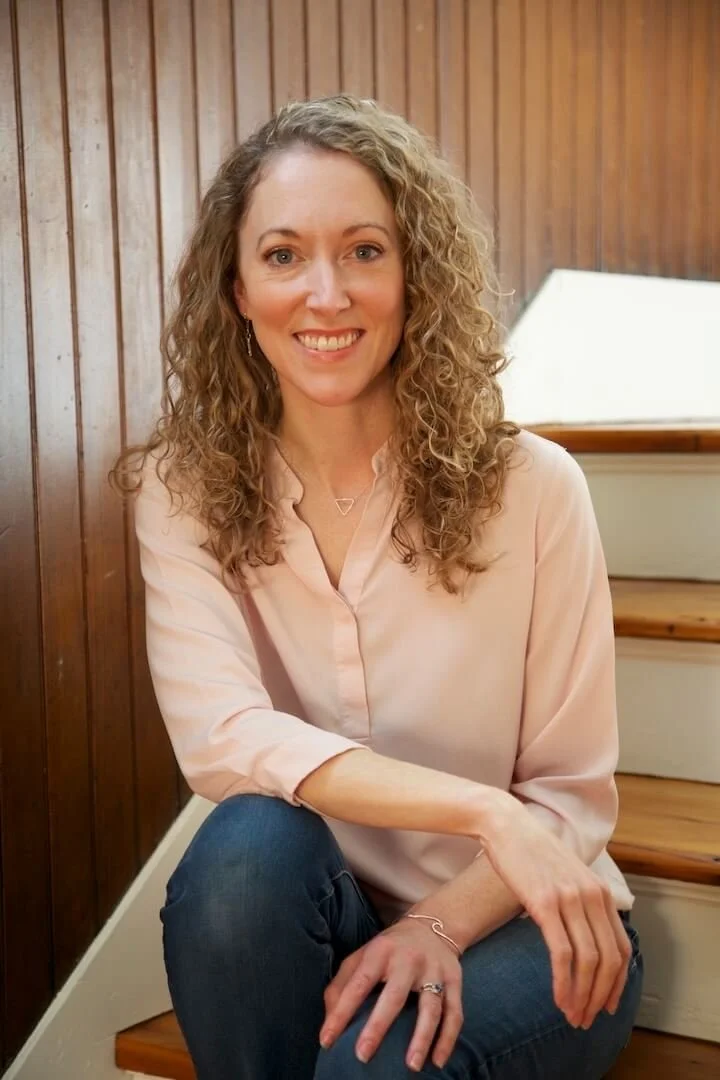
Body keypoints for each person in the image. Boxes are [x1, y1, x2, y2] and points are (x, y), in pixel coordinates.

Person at [110, 95, 643, 1079]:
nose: (326, 294)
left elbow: (567, 803)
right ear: (235, 288)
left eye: (364, 250)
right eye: (282, 256)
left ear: (414, 276)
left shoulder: (534, 488)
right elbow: (226, 739)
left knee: (371, 1066)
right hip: (312, 908)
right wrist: (487, 808)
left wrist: (441, 920)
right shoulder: (182, 492)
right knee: (242, 852)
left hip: (522, 913)